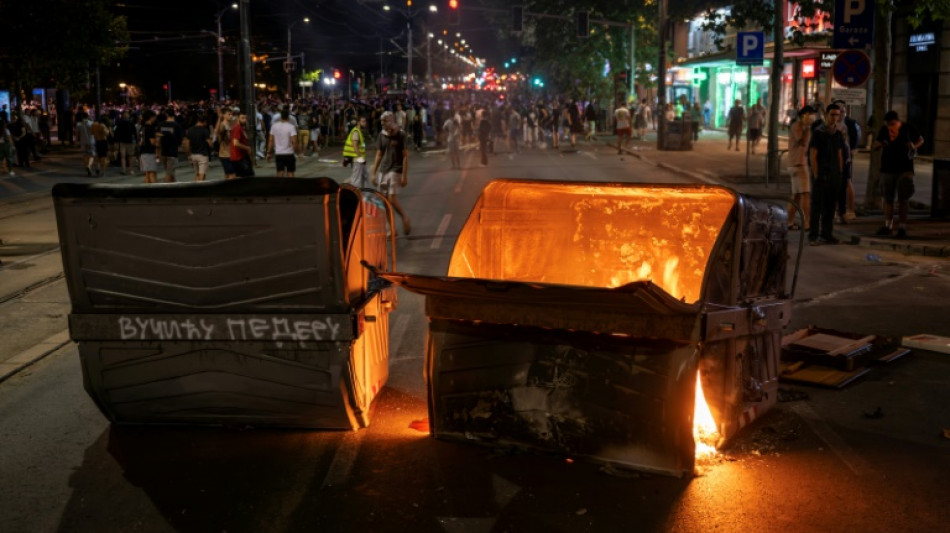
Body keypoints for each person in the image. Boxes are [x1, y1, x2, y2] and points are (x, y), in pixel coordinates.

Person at [873, 110, 924, 239]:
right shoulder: (884, 130)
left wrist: (914, 147)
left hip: (905, 168)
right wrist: (880, 144)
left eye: (893, 123)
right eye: (888, 124)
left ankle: (902, 227)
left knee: (903, 199)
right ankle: (888, 225)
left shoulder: (907, 128)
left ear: (898, 121)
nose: (890, 126)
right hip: (887, 168)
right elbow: (876, 144)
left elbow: (920, 139)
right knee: (888, 198)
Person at [807, 104, 846, 245]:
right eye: (832, 114)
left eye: (837, 115)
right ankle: (813, 235)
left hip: (834, 175)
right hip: (821, 174)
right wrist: (816, 174)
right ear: (826, 115)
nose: (834, 118)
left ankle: (827, 234)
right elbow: (813, 154)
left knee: (830, 206)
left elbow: (840, 153)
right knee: (817, 206)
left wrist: (840, 172)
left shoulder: (837, 134)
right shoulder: (819, 133)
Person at [372, 111, 411, 236]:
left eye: (385, 121)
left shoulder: (401, 134)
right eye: (382, 122)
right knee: (384, 201)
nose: (383, 124)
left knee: (392, 199)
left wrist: (404, 176)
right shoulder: (381, 135)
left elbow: (405, 156)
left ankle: (405, 218)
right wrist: (373, 172)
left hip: (396, 170)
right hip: (383, 170)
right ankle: (392, 229)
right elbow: (379, 154)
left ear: (391, 120)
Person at [786, 105, 816, 231]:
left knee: (796, 195)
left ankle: (789, 222)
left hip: (795, 164)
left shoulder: (799, 126)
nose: (813, 117)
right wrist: (808, 128)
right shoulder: (798, 126)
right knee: (805, 194)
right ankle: (807, 223)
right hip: (799, 164)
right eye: (811, 114)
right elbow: (802, 142)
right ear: (804, 115)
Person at [832, 100, 860, 223]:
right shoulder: (833, 124)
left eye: (842, 111)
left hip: (845, 158)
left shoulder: (847, 124)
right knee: (836, 185)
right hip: (834, 158)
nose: (840, 114)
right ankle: (838, 211)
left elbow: (855, 138)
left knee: (846, 183)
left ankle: (849, 211)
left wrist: (852, 150)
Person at [157, 111, 184, 182]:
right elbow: (180, 139)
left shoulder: (161, 125)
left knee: (170, 171)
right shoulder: (177, 126)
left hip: (163, 151)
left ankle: (174, 185)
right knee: (169, 173)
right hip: (172, 152)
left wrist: (158, 151)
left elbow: (158, 138)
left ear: (167, 115)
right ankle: (165, 189)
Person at [184, 114, 212, 181]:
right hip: (203, 155)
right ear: (204, 121)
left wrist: (188, 155)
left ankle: (195, 189)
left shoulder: (190, 130)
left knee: (197, 174)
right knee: (202, 176)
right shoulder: (205, 130)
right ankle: (200, 190)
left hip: (193, 155)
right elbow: (210, 144)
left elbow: (186, 145)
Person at [344, 116, 371, 186]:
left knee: (365, 177)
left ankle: (365, 194)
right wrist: (360, 158)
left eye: (365, 121)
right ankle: (354, 194)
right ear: (358, 123)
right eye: (363, 121)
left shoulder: (359, 132)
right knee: (356, 179)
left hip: (359, 159)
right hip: (357, 159)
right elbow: (355, 145)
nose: (365, 123)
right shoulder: (356, 132)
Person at [230, 111, 254, 178]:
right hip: (239, 157)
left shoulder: (241, 128)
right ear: (238, 118)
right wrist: (247, 148)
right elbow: (236, 143)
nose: (245, 120)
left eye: (245, 118)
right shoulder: (237, 128)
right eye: (242, 118)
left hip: (240, 157)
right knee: (247, 176)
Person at [138, 110, 159, 184]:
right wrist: (157, 140)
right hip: (149, 152)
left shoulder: (142, 128)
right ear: (151, 117)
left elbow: (140, 141)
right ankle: (155, 192)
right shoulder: (150, 128)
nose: (155, 119)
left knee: (147, 174)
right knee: (152, 174)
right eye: (154, 117)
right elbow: (152, 142)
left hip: (142, 152)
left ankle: (148, 192)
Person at [113, 110, 137, 175]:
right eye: (125, 114)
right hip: (123, 141)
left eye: (127, 113)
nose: (126, 115)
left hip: (129, 141)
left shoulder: (130, 122)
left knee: (130, 156)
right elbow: (116, 133)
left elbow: (134, 132)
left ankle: (130, 169)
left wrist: (136, 140)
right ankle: (123, 169)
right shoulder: (120, 123)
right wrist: (116, 141)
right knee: (123, 156)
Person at [215, 108, 235, 179]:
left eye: (231, 114)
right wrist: (219, 118)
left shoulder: (230, 124)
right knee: (232, 175)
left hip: (230, 153)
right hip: (225, 154)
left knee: (227, 174)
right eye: (229, 114)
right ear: (224, 115)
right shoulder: (223, 124)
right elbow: (217, 132)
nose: (231, 116)